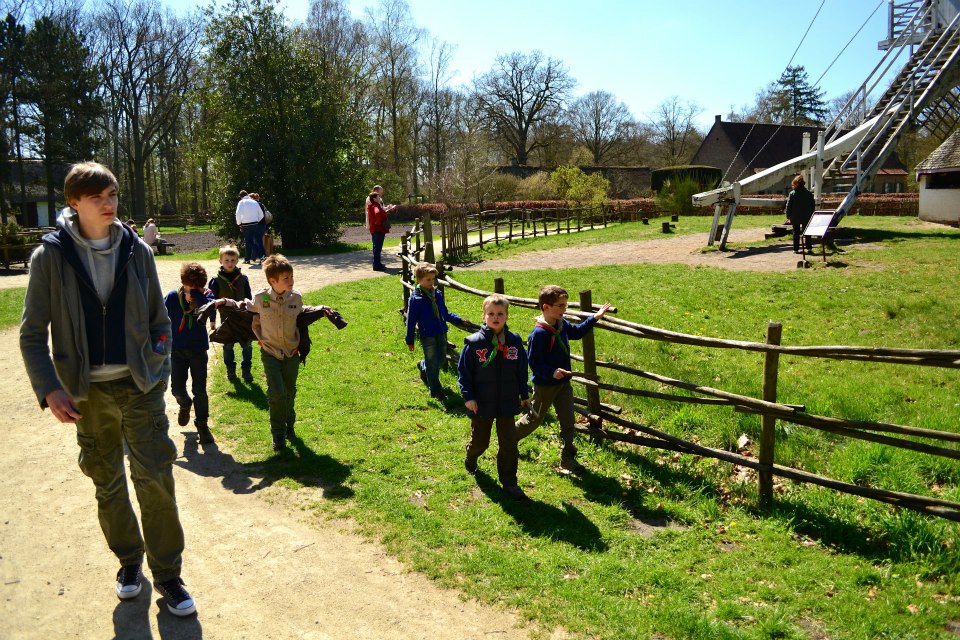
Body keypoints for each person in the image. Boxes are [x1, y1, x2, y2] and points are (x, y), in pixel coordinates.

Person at [19, 161, 197, 616]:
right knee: (107, 481)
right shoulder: (50, 257)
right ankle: (129, 562)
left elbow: (160, 320)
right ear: (73, 203)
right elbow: (31, 333)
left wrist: (156, 367)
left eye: (112, 195)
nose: (108, 204)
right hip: (86, 396)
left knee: (155, 477)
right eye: (97, 197)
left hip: (139, 387)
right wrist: (49, 388)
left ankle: (169, 575)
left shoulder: (137, 251)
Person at [514, 285, 610, 474]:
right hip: (545, 386)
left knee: (568, 420)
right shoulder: (539, 334)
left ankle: (568, 457)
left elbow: (576, 332)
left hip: (563, 384)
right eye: (560, 306)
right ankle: (509, 438)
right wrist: (551, 372)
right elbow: (534, 362)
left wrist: (594, 318)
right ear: (545, 307)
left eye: (565, 305)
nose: (564, 309)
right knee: (534, 419)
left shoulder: (562, 324)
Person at [217, 254, 308, 451]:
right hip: (270, 353)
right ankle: (278, 434)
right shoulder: (261, 298)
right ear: (272, 281)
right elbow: (244, 306)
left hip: (292, 353)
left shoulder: (296, 298)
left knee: (290, 392)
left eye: (292, 277)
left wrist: (323, 310)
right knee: (277, 393)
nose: (291, 281)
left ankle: (289, 424)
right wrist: (226, 301)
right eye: (286, 279)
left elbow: (304, 313)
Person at [457, 294, 530, 501]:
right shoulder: (474, 344)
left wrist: (524, 394)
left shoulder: (514, 341)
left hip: (507, 401)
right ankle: (471, 456)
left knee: (508, 443)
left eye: (500, 314)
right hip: (482, 402)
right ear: (484, 316)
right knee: (481, 442)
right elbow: (464, 373)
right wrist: (468, 397)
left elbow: (521, 370)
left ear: (507, 316)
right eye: (491, 314)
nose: (495, 317)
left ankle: (509, 482)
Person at [165, 262, 215, 445]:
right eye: (189, 287)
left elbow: (211, 308)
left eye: (197, 288)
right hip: (177, 350)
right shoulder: (172, 297)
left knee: (199, 390)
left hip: (198, 350)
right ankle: (184, 404)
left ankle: (202, 425)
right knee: (177, 388)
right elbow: (158, 316)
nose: (192, 291)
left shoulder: (207, 295)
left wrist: (197, 295)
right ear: (183, 282)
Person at [405, 262, 467, 401]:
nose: (431, 282)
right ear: (419, 279)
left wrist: (458, 320)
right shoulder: (416, 299)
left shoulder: (437, 294)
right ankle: (435, 390)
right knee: (433, 362)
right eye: (428, 280)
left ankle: (423, 366)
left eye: (433, 279)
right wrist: (409, 339)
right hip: (427, 335)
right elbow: (411, 320)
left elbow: (444, 312)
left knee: (440, 359)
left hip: (441, 331)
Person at [208, 245, 253, 383]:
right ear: (220, 260)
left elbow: (249, 298)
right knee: (228, 345)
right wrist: (212, 320)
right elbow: (212, 302)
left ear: (237, 260)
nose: (230, 263)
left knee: (247, 345)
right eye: (226, 260)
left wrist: (253, 314)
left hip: (243, 317)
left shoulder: (243, 278)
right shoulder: (215, 280)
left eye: (233, 260)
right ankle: (231, 370)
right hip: (226, 318)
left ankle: (246, 370)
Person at [785, 174, 816, 253]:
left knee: (796, 233)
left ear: (796, 184)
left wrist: (788, 216)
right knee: (807, 232)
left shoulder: (792, 194)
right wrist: (811, 214)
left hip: (795, 217)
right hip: (807, 216)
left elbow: (788, 206)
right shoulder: (809, 194)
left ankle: (796, 249)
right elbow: (813, 205)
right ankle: (809, 248)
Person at [366, 185, 394, 271]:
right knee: (378, 247)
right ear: (375, 198)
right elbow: (377, 213)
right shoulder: (375, 205)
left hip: (375, 229)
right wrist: (378, 222)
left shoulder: (375, 204)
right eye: (378, 195)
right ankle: (377, 265)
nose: (380, 196)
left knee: (376, 247)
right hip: (378, 229)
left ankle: (377, 264)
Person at [236, 189, 264, 265]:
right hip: (255, 224)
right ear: (247, 194)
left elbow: (238, 214)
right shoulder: (254, 202)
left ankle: (250, 257)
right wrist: (256, 221)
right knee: (259, 241)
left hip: (246, 225)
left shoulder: (241, 202)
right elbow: (261, 214)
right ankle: (261, 257)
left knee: (249, 242)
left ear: (241, 196)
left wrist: (239, 223)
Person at [250, 192, 268, 261]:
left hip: (257, 225)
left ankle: (262, 256)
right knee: (257, 241)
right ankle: (254, 257)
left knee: (257, 242)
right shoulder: (261, 204)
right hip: (263, 225)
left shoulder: (254, 205)